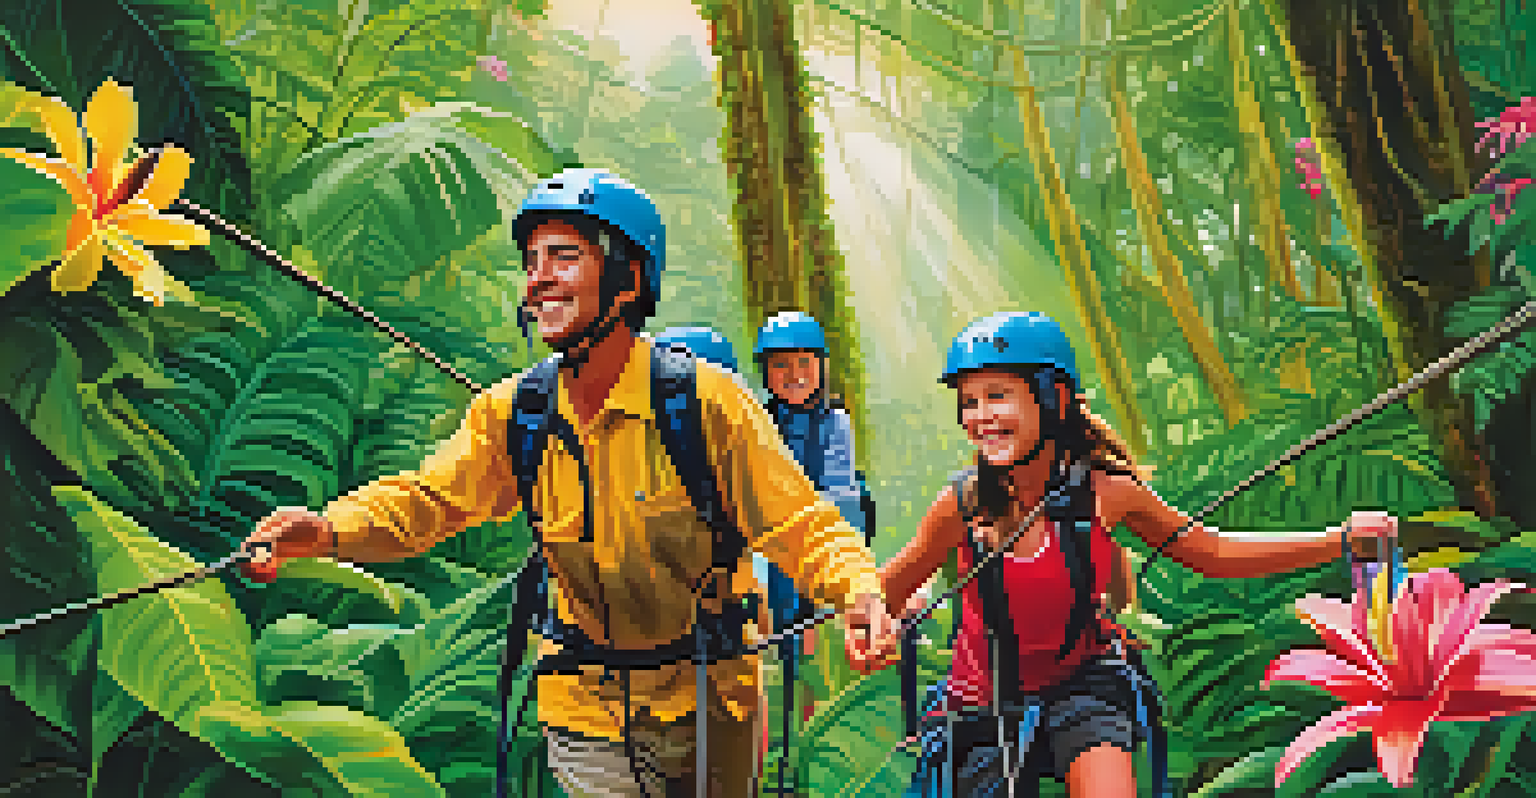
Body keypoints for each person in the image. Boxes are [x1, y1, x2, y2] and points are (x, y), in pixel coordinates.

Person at [239, 169, 897, 798]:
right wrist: (327, 531)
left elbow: (799, 522)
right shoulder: (514, 415)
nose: (539, 280)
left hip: (711, 699)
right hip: (585, 701)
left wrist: (859, 593)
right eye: (531, 262)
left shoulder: (705, 404)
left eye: (563, 257)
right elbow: (428, 500)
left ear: (628, 276)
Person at [865, 312, 1397, 797]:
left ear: (1054, 400)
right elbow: (878, 594)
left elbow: (1211, 551)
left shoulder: (1108, 492)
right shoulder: (959, 506)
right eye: (970, 402)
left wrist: (1341, 539)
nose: (981, 416)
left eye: (999, 395)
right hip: (982, 706)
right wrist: (871, 624)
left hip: (1083, 685)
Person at [753, 311, 873, 792]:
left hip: (815, 556)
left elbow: (839, 493)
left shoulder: (832, 424)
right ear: (766, 371)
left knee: (810, 659)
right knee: (771, 657)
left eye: (805, 363)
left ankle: (807, 758)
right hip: (773, 557)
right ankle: (768, 764)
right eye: (782, 365)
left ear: (822, 366)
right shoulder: (758, 421)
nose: (796, 375)